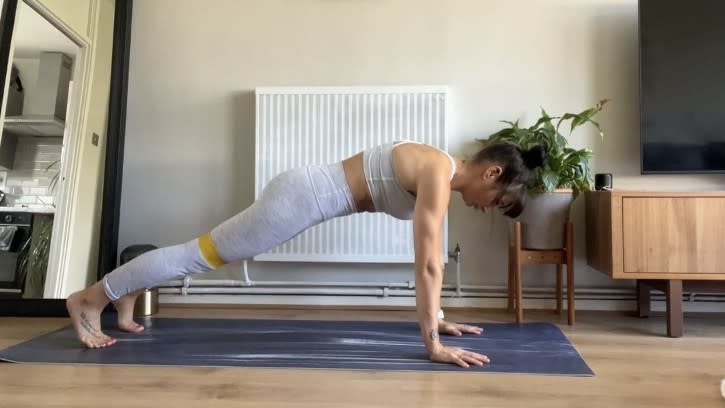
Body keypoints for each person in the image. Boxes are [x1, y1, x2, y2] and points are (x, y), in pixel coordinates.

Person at [66, 139, 546, 368]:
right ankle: (93, 297)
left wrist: (437, 315)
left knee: (199, 253)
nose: (487, 210)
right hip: (300, 200)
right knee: (200, 255)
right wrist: (433, 346)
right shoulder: (438, 175)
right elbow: (427, 262)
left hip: (303, 193)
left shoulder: (438, 168)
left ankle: (125, 295)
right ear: (492, 174)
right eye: (497, 202)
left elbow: (429, 259)